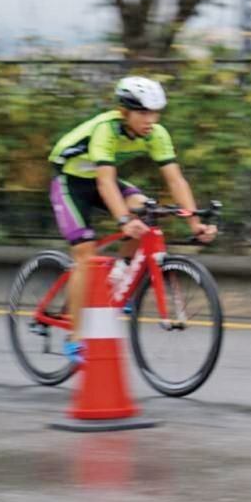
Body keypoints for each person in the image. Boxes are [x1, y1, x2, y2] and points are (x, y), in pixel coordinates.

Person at [47, 76, 217, 364]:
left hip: (102, 180)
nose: (150, 120)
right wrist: (124, 220)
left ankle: (120, 277)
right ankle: (74, 337)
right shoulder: (106, 129)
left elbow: (175, 179)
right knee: (86, 254)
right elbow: (105, 182)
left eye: (155, 112)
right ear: (125, 111)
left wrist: (194, 222)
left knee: (146, 210)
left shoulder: (157, 134)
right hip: (71, 181)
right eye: (143, 113)